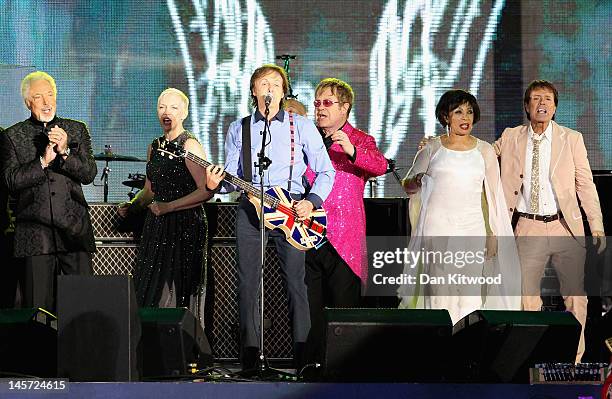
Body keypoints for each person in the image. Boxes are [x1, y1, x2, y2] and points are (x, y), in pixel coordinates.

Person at [205, 64, 335, 370]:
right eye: (263, 83)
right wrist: (216, 184)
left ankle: (303, 359)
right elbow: (232, 175)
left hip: (293, 212)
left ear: (283, 91)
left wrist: (311, 201)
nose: (270, 88)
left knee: (296, 284)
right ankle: (250, 358)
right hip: (251, 210)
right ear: (254, 91)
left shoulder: (300, 125)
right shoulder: (240, 128)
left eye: (276, 83)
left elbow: (326, 171)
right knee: (248, 283)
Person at [493, 80, 606, 363]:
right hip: (527, 225)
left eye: (547, 99)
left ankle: (575, 360)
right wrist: (441, 143)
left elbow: (585, 185)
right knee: (527, 298)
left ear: (555, 107)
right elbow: (479, 153)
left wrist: (597, 224)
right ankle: (532, 359)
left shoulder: (572, 138)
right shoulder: (510, 136)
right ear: (527, 106)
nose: (541, 103)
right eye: (535, 99)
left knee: (575, 298)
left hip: (564, 226)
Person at [398, 89, 520, 324]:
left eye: (470, 112)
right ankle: (442, 352)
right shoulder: (432, 148)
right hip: (438, 229)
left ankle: (467, 352)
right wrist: (416, 180)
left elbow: (492, 196)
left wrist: (491, 232)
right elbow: (408, 185)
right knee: (440, 294)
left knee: (469, 296)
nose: (465, 118)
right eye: (459, 112)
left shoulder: (484, 150)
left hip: (472, 228)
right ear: (446, 116)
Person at [303, 78, 388, 365]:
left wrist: (351, 149)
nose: (320, 109)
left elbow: (379, 166)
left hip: (345, 237)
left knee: (343, 310)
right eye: (317, 103)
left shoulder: (361, 139)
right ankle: (311, 367)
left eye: (327, 103)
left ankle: (343, 371)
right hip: (307, 232)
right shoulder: (308, 138)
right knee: (311, 309)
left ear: (345, 108)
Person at [0, 71, 97, 311]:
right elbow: (11, 180)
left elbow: (89, 174)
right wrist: (43, 161)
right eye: (38, 97)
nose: (46, 102)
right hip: (35, 239)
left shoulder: (77, 129)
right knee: (38, 312)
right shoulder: (12, 135)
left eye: (50, 95)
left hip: (74, 233)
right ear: (27, 102)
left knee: (82, 308)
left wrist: (65, 153)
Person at [118, 88, 213, 323]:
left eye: (173, 107)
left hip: (185, 225)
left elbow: (206, 191)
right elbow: (150, 190)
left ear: (184, 113)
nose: (166, 112)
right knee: (152, 290)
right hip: (157, 226)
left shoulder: (189, 146)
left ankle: (185, 351)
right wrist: (132, 206)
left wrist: (170, 206)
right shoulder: (155, 146)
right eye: (162, 107)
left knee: (178, 290)